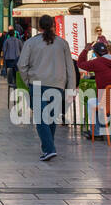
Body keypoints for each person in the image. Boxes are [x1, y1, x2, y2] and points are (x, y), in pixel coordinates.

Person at [18, 15, 75, 160]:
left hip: (37, 83)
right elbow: (70, 68)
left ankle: (49, 148)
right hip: (57, 84)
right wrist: (70, 88)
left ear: (39, 26)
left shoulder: (31, 42)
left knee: (41, 118)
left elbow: (21, 65)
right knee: (51, 117)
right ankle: (49, 147)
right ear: (53, 25)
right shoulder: (63, 43)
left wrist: (27, 81)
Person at [77, 41, 111, 140]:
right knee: (100, 101)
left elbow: (80, 64)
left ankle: (96, 133)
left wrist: (85, 50)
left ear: (96, 54)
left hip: (108, 103)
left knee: (92, 102)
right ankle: (100, 129)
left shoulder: (97, 62)